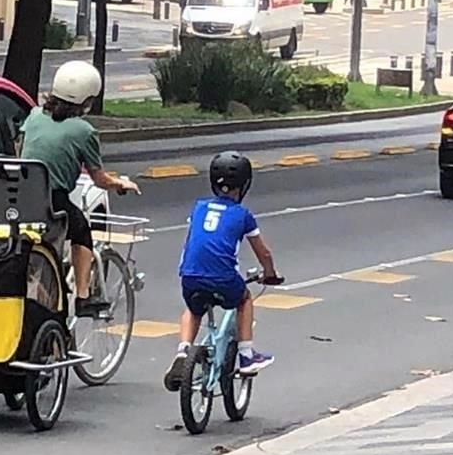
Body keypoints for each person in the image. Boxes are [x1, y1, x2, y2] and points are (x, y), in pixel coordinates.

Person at [19, 61, 141, 317]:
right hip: (53, 203)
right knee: (82, 231)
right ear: (87, 100)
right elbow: (99, 179)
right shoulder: (84, 130)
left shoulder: (33, 117)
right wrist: (120, 183)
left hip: (20, 198)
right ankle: (84, 296)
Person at [164, 152, 281, 390]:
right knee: (244, 299)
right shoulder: (243, 215)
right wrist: (269, 273)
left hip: (190, 275)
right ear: (245, 184)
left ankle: (183, 350)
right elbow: (264, 253)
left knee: (193, 309)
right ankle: (247, 355)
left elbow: (192, 242)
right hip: (223, 279)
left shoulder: (199, 208)